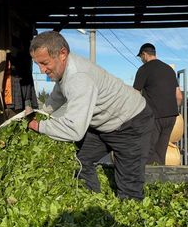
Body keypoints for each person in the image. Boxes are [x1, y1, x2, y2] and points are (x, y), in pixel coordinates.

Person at [26, 31, 154, 200]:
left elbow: (74, 129)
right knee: (79, 160)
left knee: (129, 186)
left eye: (44, 63)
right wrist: (41, 113)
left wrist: (38, 126)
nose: (42, 70)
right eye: (37, 64)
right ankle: (91, 201)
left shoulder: (78, 78)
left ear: (62, 54)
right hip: (104, 125)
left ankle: (128, 215)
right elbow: (58, 96)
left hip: (131, 123)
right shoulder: (64, 71)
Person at [133, 43, 183, 165]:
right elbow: (179, 96)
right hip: (171, 117)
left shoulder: (144, 69)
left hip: (153, 117)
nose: (141, 60)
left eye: (141, 57)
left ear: (144, 54)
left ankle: (148, 179)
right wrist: (172, 110)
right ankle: (159, 180)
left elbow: (134, 94)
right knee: (161, 151)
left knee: (148, 150)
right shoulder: (169, 69)